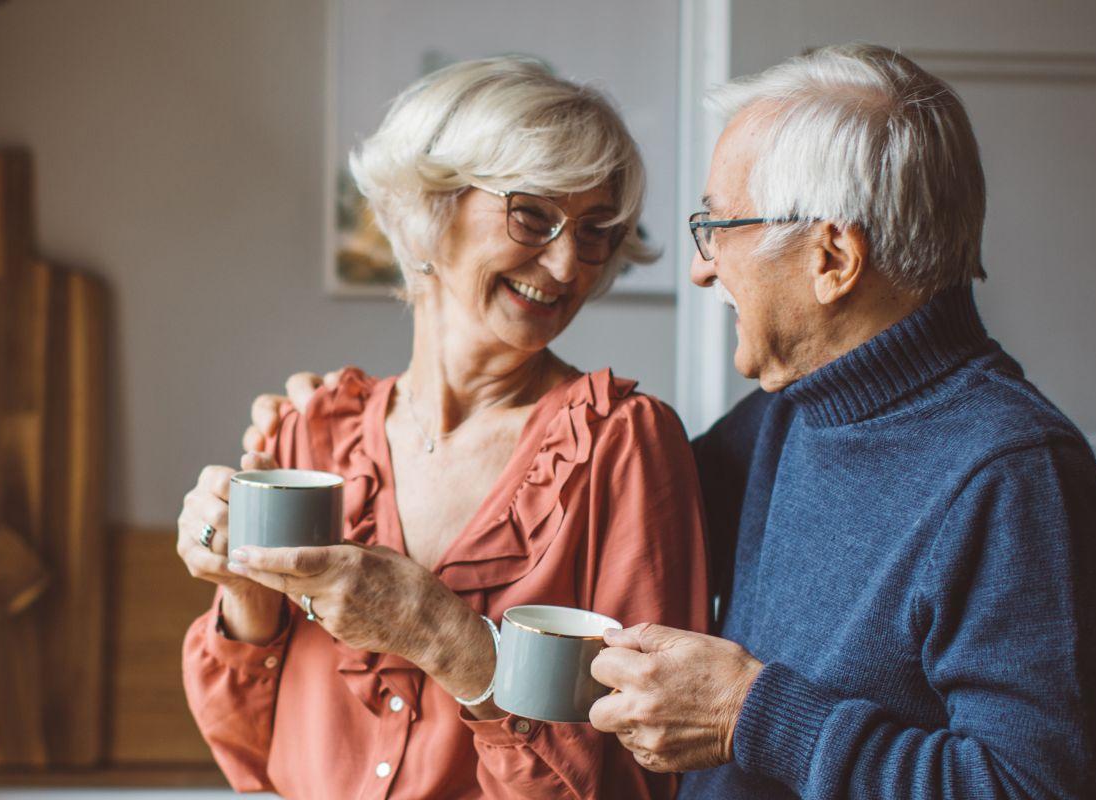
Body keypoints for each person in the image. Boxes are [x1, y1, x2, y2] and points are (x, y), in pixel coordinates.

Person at [260, 43, 1096, 800]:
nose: (700, 271)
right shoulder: (787, 421)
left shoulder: (1017, 477)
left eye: (718, 227)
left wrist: (754, 714)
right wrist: (339, 420)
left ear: (832, 257)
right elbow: (556, 492)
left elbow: (1039, 788)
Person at [176, 56, 708, 799]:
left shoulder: (622, 446)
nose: (565, 266)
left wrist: (443, 635)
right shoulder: (312, 430)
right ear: (431, 205)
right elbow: (251, 757)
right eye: (533, 214)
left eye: (595, 232)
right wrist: (242, 590)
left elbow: (638, 780)